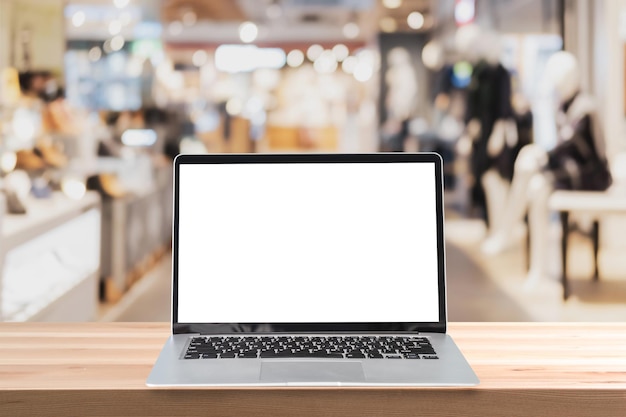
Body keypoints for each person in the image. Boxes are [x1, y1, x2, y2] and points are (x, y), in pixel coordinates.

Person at [482, 51, 612, 287]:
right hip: (570, 171)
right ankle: (534, 265)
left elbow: (572, 146)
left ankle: (507, 233)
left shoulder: (585, 107)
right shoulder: (563, 105)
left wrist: (542, 156)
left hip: (590, 177)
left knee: (531, 167)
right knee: (535, 184)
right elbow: (564, 149)